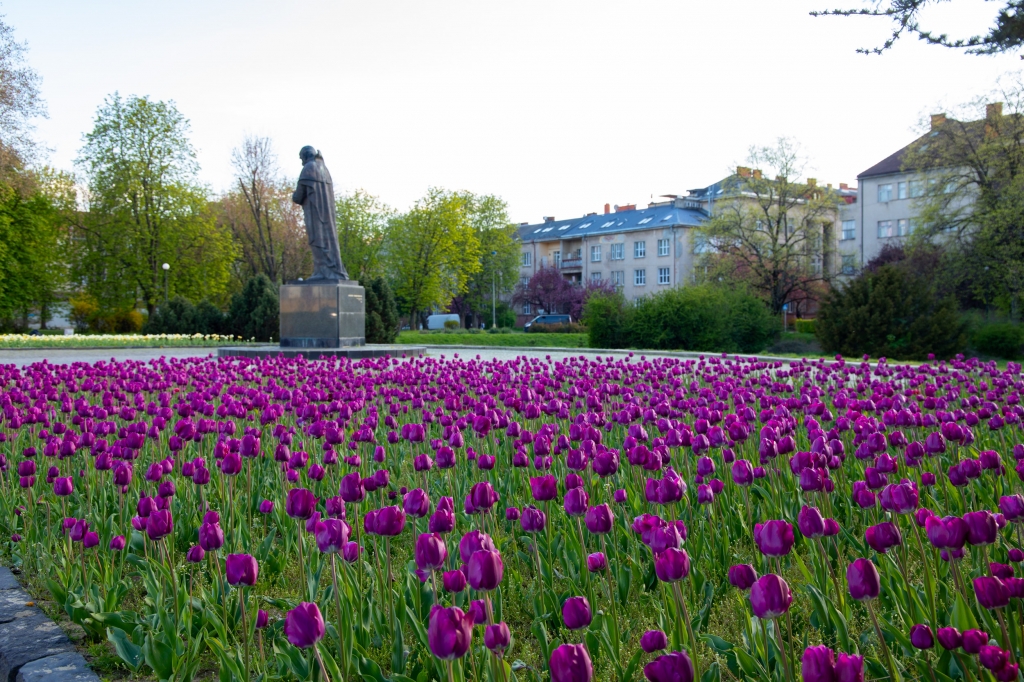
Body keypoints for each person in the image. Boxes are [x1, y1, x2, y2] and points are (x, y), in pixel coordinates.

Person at [292, 146, 348, 281]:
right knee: (328, 242)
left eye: (301, 158)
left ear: (305, 156)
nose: (301, 162)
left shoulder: (308, 168)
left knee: (318, 240)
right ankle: (328, 271)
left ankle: (322, 272)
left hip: (315, 213)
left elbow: (299, 196)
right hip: (327, 215)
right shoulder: (324, 169)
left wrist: (293, 196)